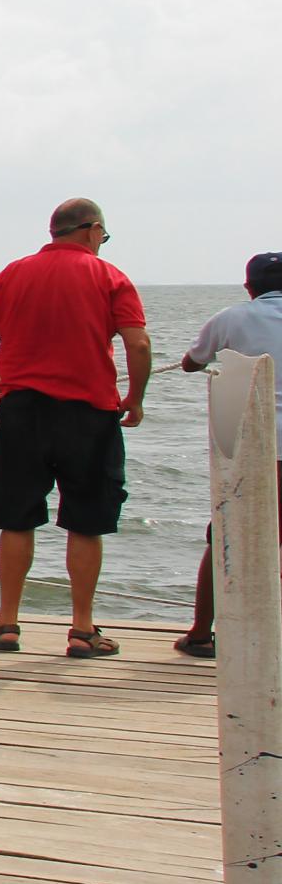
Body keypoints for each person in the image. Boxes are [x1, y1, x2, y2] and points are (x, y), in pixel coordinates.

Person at [0, 199, 150, 657]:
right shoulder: (110, 277)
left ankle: (7, 623)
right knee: (86, 521)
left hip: (22, 411)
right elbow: (138, 343)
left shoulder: (11, 275)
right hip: (89, 413)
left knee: (16, 517)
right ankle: (82, 629)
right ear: (93, 230)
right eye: (103, 236)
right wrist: (136, 397)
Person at [173, 251, 282, 656]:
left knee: (223, 534)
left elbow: (191, 362)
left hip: (254, 445)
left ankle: (201, 633)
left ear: (249, 287)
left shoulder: (232, 318)